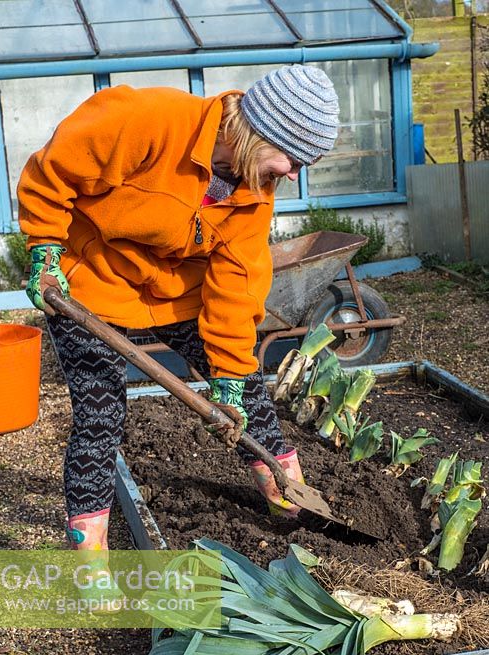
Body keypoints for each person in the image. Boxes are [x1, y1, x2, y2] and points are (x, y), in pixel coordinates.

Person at [18, 64, 339, 562]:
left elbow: (236, 283)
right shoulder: (150, 119)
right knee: (101, 414)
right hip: (90, 282)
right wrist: (43, 250)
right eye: (293, 159)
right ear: (261, 132)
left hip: (174, 294)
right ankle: (89, 556)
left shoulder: (254, 192)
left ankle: (288, 503)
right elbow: (53, 171)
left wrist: (229, 378)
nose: (294, 175)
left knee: (246, 389)